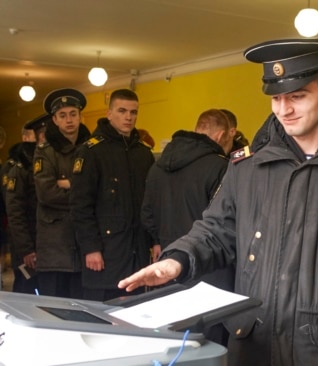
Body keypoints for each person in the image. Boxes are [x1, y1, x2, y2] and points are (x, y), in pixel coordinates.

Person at [119, 38, 318, 366]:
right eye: (276, 98)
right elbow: (217, 229)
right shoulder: (247, 167)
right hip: (254, 347)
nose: (283, 110)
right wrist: (176, 260)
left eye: (297, 96)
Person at [140, 108, 235, 345]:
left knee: (173, 344)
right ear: (221, 135)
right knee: (210, 346)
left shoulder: (157, 166)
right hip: (211, 270)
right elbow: (226, 221)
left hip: (166, 265)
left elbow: (147, 214)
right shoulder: (219, 167)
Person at [70, 89, 155, 301]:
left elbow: (150, 202)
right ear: (109, 114)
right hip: (104, 253)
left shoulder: (143, 153)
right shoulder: (91, 151)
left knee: (135, 314)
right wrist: (90, 248)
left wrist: (154, 241)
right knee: (101, 318)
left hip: (136, 252)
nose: (129, 117)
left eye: (133, 112)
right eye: (122, 111)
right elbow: (80, 205)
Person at [32, 88, 91, 298]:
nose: (69, 120)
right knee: (54, 309)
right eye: (63, 116)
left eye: (73, 114)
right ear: (55, 120)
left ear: (80, 116)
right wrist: (81, 192)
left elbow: (97, 189)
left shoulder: (90, 148)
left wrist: (68, 183)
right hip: (54, 246)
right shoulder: (45, 151)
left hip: (84, 243)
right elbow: (46, 193)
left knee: (83, 309)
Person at [5, 114, 49, 294]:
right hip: (27, 244)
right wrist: (26, 249)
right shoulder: (20, 168)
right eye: (42, 134)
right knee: (26, 290)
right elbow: (15, 212)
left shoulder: (49, 161)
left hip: (45, 243)